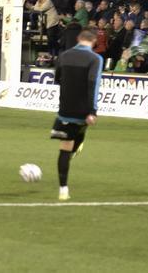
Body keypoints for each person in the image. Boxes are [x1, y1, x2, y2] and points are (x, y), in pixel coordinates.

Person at [51, 28, 103, 202]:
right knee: (79, 133)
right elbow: (93, 85)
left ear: (78, 39)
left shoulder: (64, 56)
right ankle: (78, 143)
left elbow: (57, 78)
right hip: (83, 110)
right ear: (93, 41)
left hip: (65, 109)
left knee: (64, 149)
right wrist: (92, 111)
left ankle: (63, 190)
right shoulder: (95, 58)